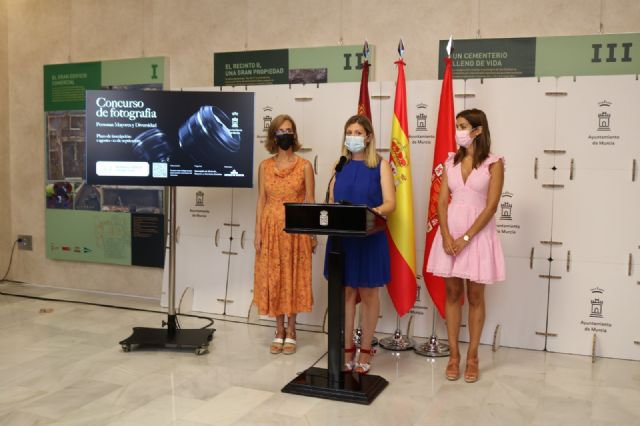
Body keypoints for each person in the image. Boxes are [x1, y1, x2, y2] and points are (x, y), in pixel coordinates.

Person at [426, 108, 505, 383]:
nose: (458, 131)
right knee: (452, 293)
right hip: (450, 235)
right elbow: (441, 202)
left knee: (475, 296)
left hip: (478, 237)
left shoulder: (494, 164)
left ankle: (472, 356)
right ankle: (453, 356)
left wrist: (466, 238)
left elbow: (491, 206)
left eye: (463, 126)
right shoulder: (451, 161)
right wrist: (446, 235)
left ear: (478, 130)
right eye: (457, 126)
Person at [325, 115, 395, 374]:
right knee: (346, 292)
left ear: (368, 137)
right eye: (349, 132)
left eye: (358, 132)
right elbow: (331, 201)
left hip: (369, 238)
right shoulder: (339, 166)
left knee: (368, 294)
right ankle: (346, 349)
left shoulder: (380, 166)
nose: (353, 136)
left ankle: (365, 349)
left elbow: (390, 203)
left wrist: (371, 213)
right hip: (343, 239)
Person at [253, 114, 316, 355]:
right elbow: (261, 199)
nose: (285, 135)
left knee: (293, 277)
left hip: (296, 230)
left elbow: (310, 201)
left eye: (288, 130)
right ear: (273, 136)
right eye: (280, 131)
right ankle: (278, 330)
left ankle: (292, 329)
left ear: (294, 134)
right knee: (275, 277)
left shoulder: (305, 166)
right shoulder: (264, 166)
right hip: (270, 229)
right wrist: (258, 231)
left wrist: (312, 234)